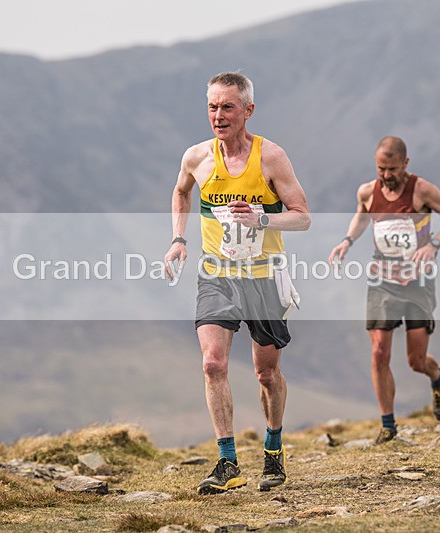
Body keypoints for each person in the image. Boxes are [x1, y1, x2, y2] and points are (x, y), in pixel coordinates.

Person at [164, 71, 310, 494]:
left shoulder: (271, 158)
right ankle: (228, 461)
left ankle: (274, 448)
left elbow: (302, 215)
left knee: (266, 373)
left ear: (248, 110)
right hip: (217, 274)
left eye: (228, 106)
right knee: (213, 364)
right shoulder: (197, 157)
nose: (218, 115)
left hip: (263, 275)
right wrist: (178, 238)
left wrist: (262, 218)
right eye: (212, 106)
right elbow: (181, 191)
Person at [328, 136, 440, 443]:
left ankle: (439, 377)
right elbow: (362, 214)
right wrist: (347, 241)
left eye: (391, 169)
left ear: (405, 163)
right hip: (382, 281)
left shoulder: (422, 190)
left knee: (416, 361)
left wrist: (434, 245)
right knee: (378, 352)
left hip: (418, 281)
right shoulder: (367, 191)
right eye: (380, 168)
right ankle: (388, 426)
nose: (386, 175)